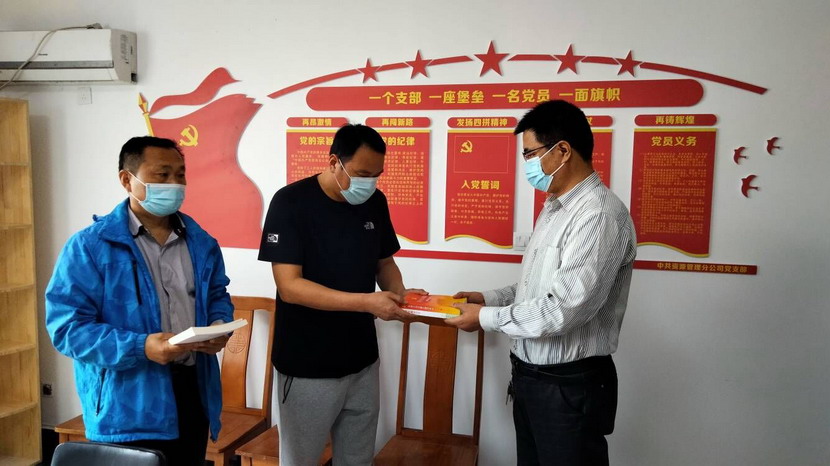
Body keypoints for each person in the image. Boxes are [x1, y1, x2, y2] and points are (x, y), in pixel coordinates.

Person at [447, 100, 637, 466]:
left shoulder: (598, 215)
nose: (527, 165)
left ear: (563, 151)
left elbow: (564, 310)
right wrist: (485, 298)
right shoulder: (554, 207)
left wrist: (484, 318)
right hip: (532, 379)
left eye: (530, 154)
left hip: (568, 387)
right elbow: (537, 288)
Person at [45, 136, 234, 465]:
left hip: (192, 390)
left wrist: (219, 325)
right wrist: (141, 347)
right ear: (126, 179)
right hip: (126, 400)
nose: (174, 184)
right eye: (162, 175)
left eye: (180, 174)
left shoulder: (202, 242)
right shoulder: (90, 246)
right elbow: (68, 329)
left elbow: (217, 294)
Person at [258, 123, 419, 466]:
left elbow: (384, 262)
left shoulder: (374, 202)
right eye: (362, 174)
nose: (369, 184)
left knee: (358, 459)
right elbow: (290, 287)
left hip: (362, 361)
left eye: (376, 175)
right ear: (334, 162)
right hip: (308, 365)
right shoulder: (290, 203)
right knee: (301, 460)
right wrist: (367, 303)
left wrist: (401, 294)